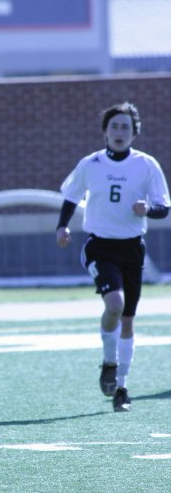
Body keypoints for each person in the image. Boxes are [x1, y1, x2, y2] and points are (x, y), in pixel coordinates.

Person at [56, 102, 170, 412]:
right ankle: (109, 360)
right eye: (115, 126)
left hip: (132, 248)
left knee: (128, 319)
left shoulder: (146, 165)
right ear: (105, 131)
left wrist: (149, 209)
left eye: (126, 127)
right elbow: (71, 195)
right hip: (100, 247)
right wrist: (62, 226)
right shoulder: (90, 164)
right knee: (115, 305)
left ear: (135, 133)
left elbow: (164, 206)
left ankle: (121, 386)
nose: (120, 132)